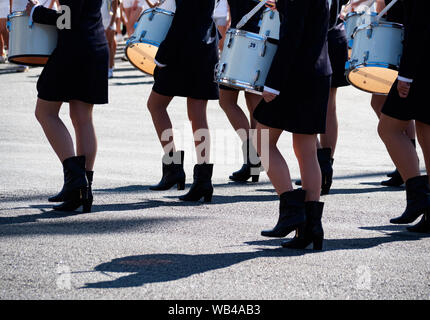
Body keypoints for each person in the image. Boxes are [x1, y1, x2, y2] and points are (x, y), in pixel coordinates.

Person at [252, 0, 332, 250]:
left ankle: (292, 210)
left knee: (262, 140)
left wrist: (272, 83)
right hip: (318, 71)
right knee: (306, 149)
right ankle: (311, 228)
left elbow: (292, 36)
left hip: (295, 75)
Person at [25, 0, 109, 214]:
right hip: (95, 44)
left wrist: (36, 11)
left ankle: (76, 182)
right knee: (83, 118)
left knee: (45, 112)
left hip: (74, 50)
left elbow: (66, 20)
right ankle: (84, 189)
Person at [146, 0, 219, 202]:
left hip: (184, 47)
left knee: (156, 105)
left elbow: (183, 18)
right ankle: (202, 179)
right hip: (206, 43)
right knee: (198, 115)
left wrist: (162, 57)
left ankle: (174, 168)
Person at [377, 0, 430, 233]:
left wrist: (406, 75)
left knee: (388, 128)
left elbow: (419, 27)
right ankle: (424, 205)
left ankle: (419, 197)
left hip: (421, 67)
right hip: (422, 65)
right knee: (426, 134)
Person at [295, 0, 350, 195]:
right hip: (335, 35)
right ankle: (324, 167)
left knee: (304, 107)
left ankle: (320, 166)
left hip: (317, 40)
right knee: (329, 107)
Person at [219, 0, 264, 183]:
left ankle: (252, 155)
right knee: (254, 104)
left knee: (227, 101)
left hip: (241, 39)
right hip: (261, 40)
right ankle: (254, 157)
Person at [101, 0, 119, 78]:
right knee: (102, 48)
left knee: (109, 46)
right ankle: (104, 67)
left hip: (109, 24)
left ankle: (110, 69)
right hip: (100, 23)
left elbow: (114, 12)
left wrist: (110, 25)